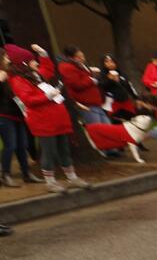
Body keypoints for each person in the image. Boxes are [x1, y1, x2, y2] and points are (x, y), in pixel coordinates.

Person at [7, 47, 92, 193]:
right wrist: (47, 96)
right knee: (49, 151)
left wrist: (44, 55)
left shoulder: (35, 75)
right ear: (23, 63)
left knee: (64, 149)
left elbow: (48, 69)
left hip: (57, 119)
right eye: (32, 60)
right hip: (43, 121)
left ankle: (72, 178)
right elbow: (27, 99)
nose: (35, 62)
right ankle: (50, 182)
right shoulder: (18, 80)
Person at [0, 47, 41, 187]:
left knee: (22, 145)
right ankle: (6, 175)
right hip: (4, 115)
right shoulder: (2, 75)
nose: (8, 59)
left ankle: (26, 173)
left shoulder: (11, 72)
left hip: (17, 113)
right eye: (5, 57)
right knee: (10, 145)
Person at [57, 46, 107, 126]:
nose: (82, 59)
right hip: (86, 104)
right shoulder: (67, 67)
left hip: (95, 102)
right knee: (98, 128)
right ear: (71, 57)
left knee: (107, 127)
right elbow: (76, 84)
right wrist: (92, 80)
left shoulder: (79, 65)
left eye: (82, 56)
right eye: (79, 57)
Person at [97, 55, 139, 120]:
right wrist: (110, 79)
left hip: (125, 101)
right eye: (107, 62)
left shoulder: (122, 73)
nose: (110, 64)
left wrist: (136, 98)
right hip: (112, 103)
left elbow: (128, 86)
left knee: (131, 120)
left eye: (112, 62)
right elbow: (101, 86)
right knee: (115, 121)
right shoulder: (102, 75)